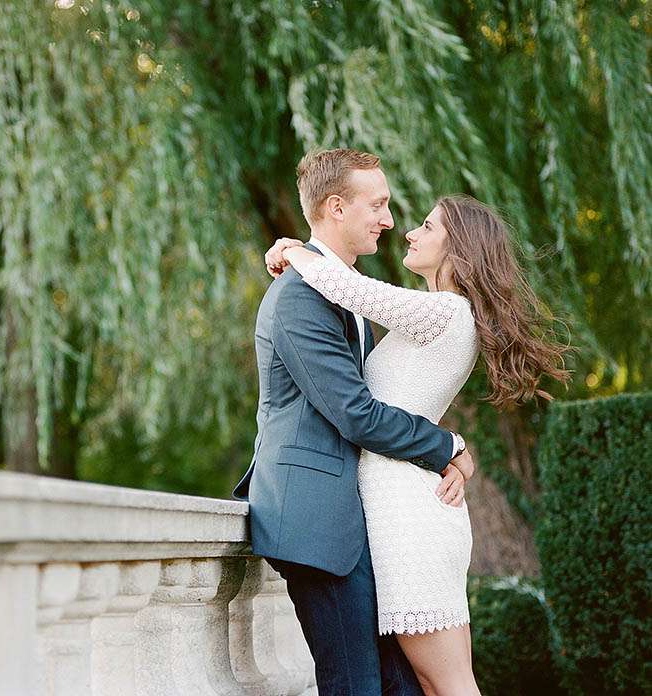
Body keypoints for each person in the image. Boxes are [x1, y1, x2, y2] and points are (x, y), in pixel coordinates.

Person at [261, 165, 570, 695]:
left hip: (409, 512)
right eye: (380, 206)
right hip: (390, 510)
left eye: (426, 227)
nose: (404, 227)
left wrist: (292, 249)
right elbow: (372, 398)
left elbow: (351, 288)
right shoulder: (436, 313)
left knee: (444, 683)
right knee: (423, 684)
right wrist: (451, 445)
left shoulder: (442, 311)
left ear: (459, 250)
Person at [233, 148, 476, 696]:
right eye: (378, 205)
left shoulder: (339, 288)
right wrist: (446, 445)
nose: (389, 220)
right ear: (336, 207)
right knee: (357, 685)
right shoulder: (299, 296)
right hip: (315, 518)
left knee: (400, 685)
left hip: (359, 520)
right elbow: (354, 412)